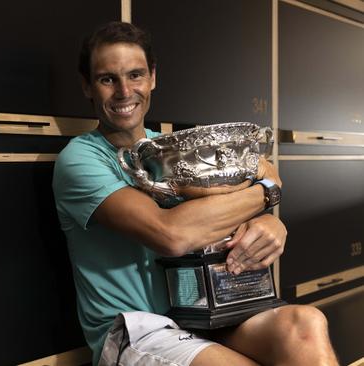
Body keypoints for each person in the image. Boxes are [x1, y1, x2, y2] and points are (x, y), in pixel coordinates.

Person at [52, 21, 338, 366]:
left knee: (306, 324)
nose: (125, 91)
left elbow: (253, 179)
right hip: (140, 328)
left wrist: (268, 224)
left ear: (153, 78)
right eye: (107, 79)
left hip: (205, 315)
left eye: (135, 75)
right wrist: (268, 193)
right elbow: (171, 234)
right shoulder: (81, 158)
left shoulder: (172, 148)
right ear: (87, 86)